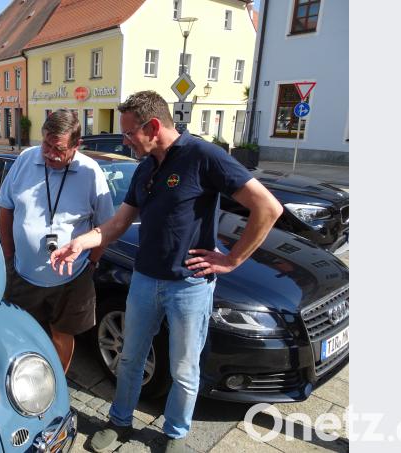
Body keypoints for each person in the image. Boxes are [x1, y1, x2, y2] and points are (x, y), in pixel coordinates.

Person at [49, 91, 282, 453]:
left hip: (189, 286)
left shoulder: (203, 156)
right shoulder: (145, 168)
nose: (125, 141)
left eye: (129, 134)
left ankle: (174, 433)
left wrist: (232, 259)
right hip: (144, 280)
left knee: (184, 369)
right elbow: (119, 223)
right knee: (129, 357)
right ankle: (120, 422)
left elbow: (268, 207)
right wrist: (81, 242)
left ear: (153, 126)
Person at [0, 109, 115, 373]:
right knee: (23, 334)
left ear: (76, 145)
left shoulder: (90, 172)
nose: (49, 153)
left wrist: (92, 264)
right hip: (24, 275)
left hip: (72, 279)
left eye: (58, 148)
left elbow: (106, 225)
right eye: (46, 144)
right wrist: (8, 255)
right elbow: (6, 208)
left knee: (62, 335)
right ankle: (26, 383)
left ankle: (58, 382)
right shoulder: (26, 160)